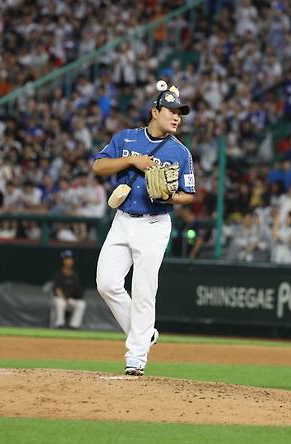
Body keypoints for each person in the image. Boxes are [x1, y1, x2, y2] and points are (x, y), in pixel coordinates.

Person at [93, 81, 195, 376]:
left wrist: (169, 197)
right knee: (106, 283)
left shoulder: (180, 152)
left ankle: (136, 357)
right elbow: (98, 166)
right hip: (123, 221)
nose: (177, 117)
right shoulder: (126, 139)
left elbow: (188, 194)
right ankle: (145, 334)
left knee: (143, 291)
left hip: (154, 224)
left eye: (180, 113)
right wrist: (132, 161)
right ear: (155, 111)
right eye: (171, 111)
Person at [51, 250, 86, 329]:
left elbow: (80, 290)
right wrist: (64, 299)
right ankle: (60, 324)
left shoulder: (76, 275)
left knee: (81, 304)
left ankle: (74, 326)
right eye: (67, 259)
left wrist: (73, 298)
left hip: (71, 300)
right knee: (60, 303)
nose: (68, 261)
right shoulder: (59, 273)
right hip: (61, 299)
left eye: (70, 259)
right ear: (63, 261)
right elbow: (57, 289)